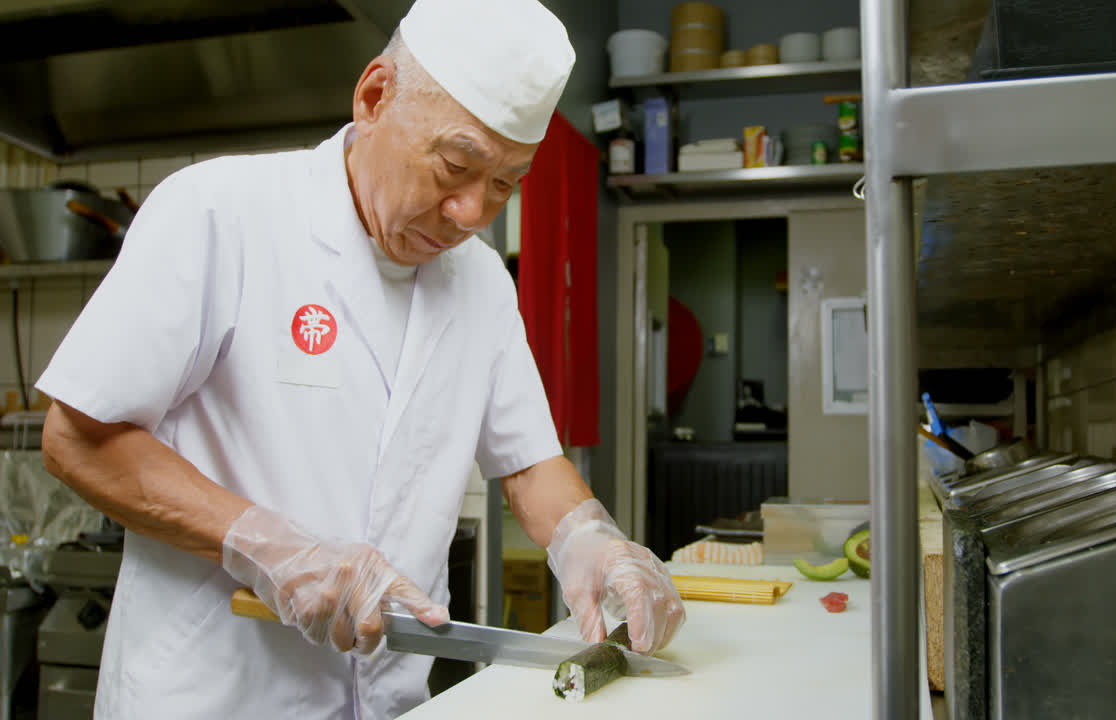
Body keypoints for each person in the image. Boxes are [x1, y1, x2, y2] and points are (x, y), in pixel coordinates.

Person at [36, 1, 685, 717]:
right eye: (456, 165)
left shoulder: (482, 285)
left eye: (505, 183)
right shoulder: (220, 213)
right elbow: (76, 439)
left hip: (389, 700)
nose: (473, 213)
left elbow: (528, 462)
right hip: (214, 695)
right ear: (374, 96)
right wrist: (265, 544)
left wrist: (589, 537)